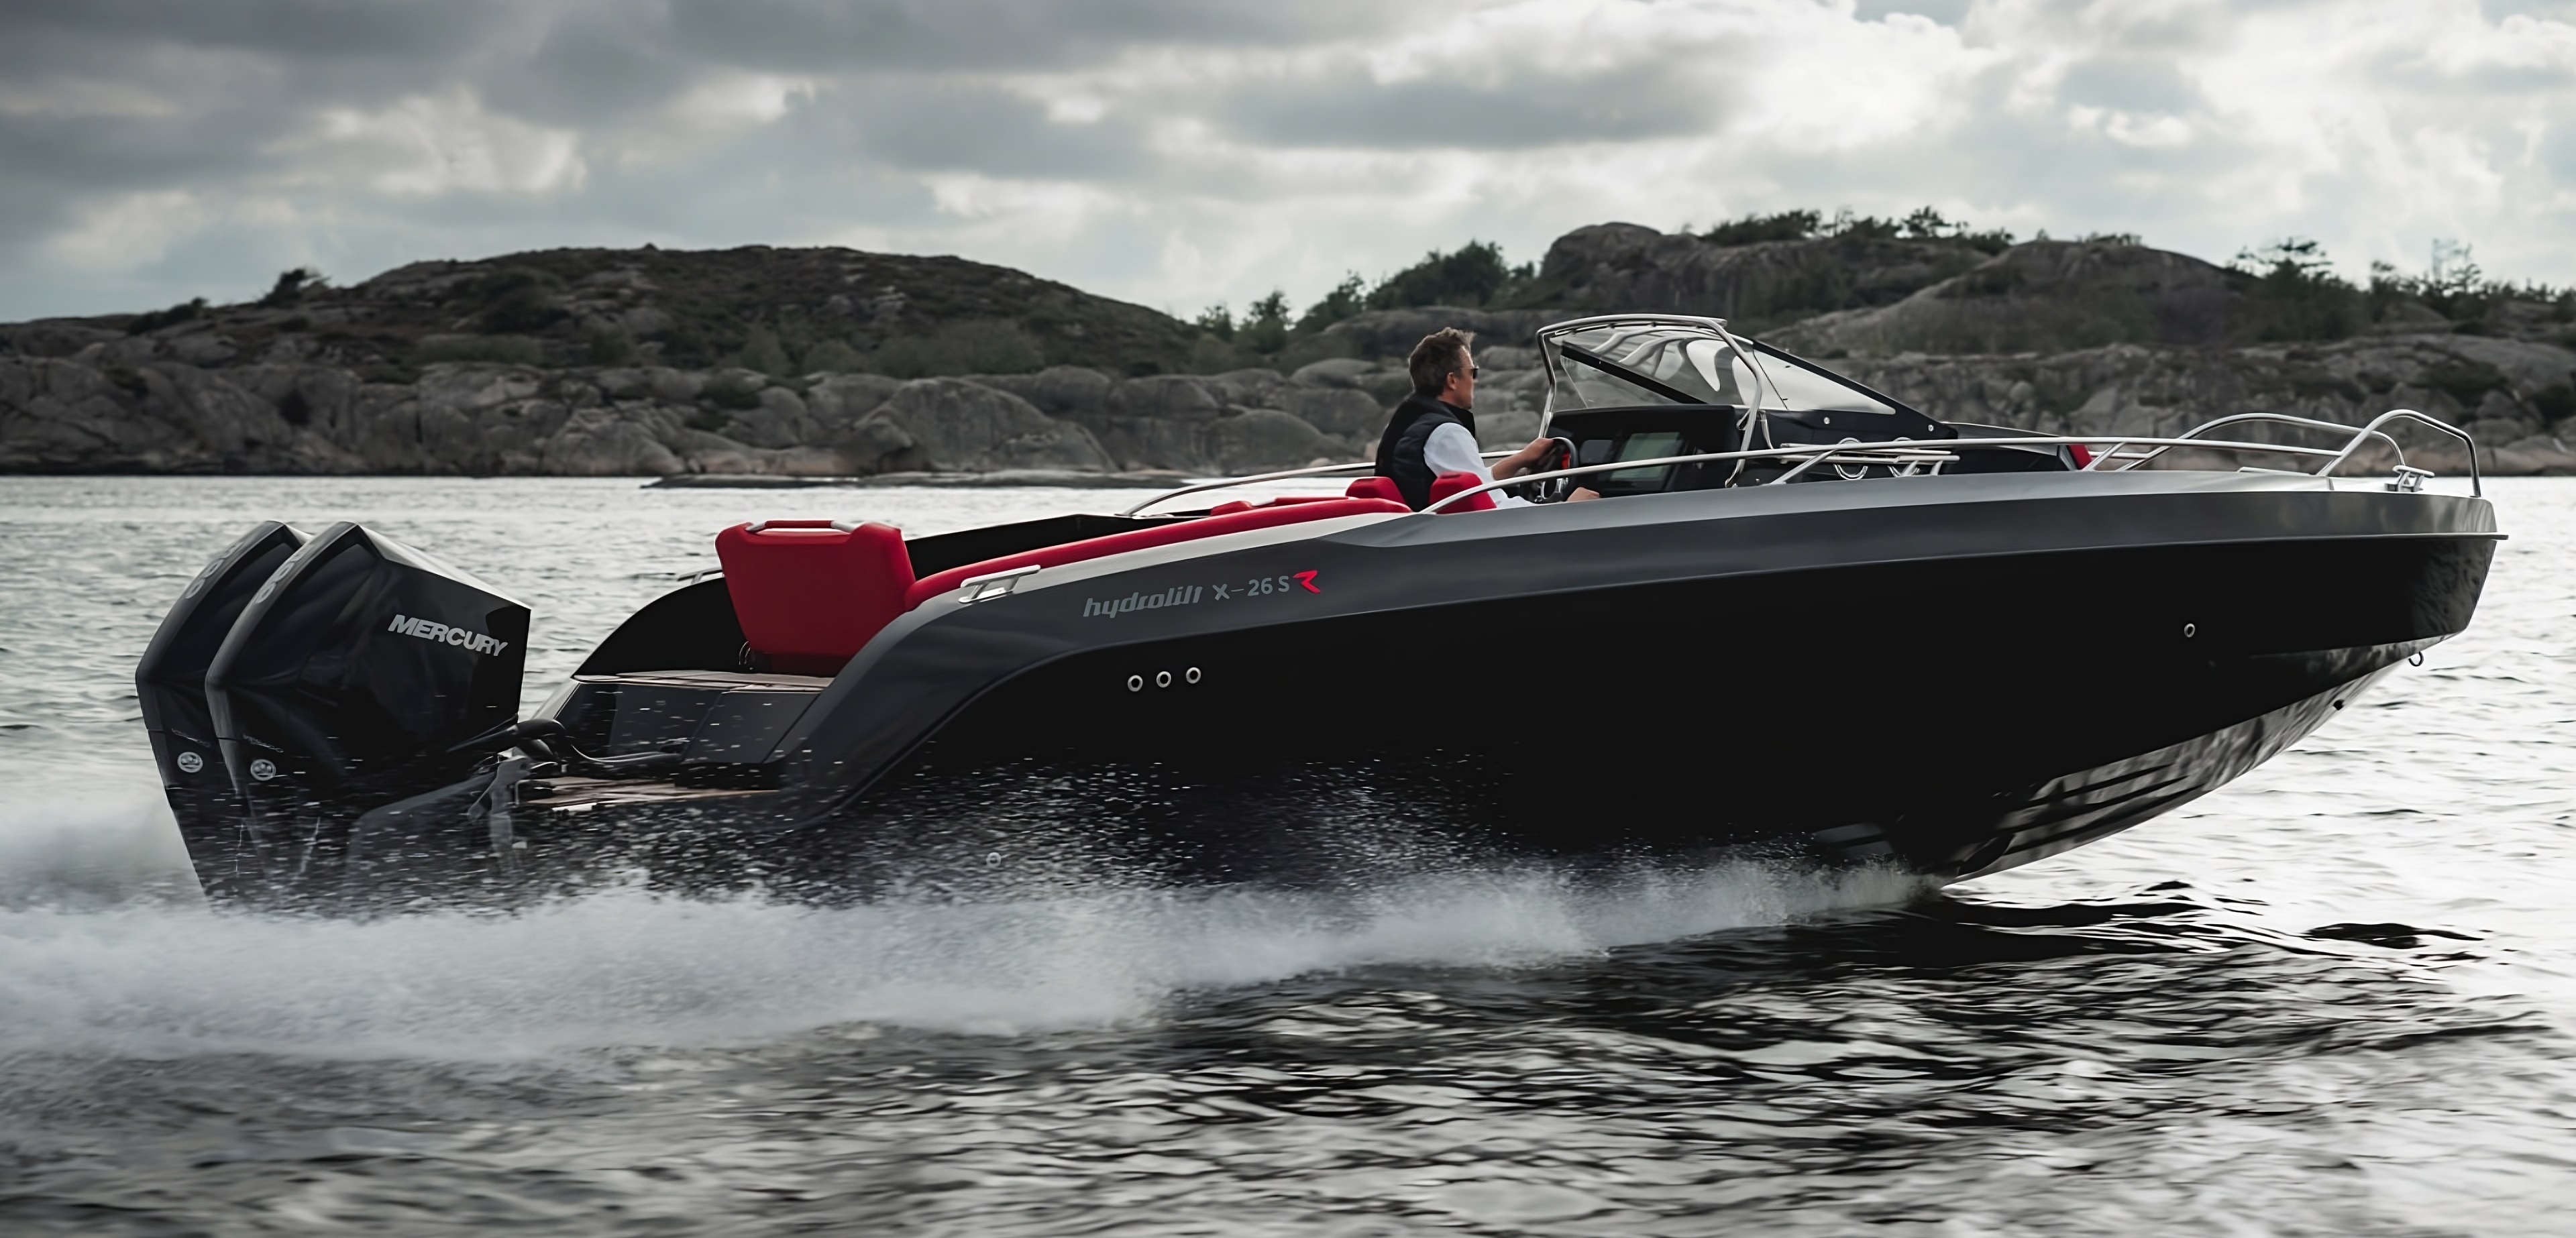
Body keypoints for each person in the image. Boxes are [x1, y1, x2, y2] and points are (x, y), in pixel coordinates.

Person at [1373, 327, 1599, 510]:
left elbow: (1466, 487)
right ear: (1452, 380)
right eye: (1473, 373)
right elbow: (1493, 507)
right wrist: (1565, 508)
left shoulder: (1409, 422)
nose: (1475, 382)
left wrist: (1521, 459)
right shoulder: (1445, 432)